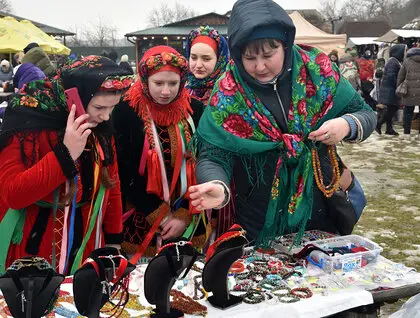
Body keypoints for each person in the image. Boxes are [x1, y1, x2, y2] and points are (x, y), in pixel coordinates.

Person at [188, 0, 376, 246]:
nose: (260, 66)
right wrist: (217, 184)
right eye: (249, 57)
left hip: (321, 207)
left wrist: (346, 124)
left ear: (285, 45)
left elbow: (365, 114)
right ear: (237, 54)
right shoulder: (228, 93)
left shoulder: (318, 72)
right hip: (259, 215)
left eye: (268, 55)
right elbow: (213, 154)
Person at [0, 56, 133, 274]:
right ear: (74, 97)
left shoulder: (99, 127)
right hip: (33, 249)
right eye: (99, 107)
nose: (106, 116)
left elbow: (112, 185)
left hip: (86, 242)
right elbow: (13, 193)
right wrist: (66, 154)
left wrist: (113, 240)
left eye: (112, 108)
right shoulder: (27, 120)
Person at [113, 46, 208, 258]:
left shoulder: (196, 109)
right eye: (158, 83)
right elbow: (123, 169)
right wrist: (161, 216)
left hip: (188, 214)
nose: (166, 91)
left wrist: (184, 214)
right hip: (140, 216)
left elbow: (203, 162)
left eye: (173, 83)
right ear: (145, 81)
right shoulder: (125, 111)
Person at [185, 25, 229, 105]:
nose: (198, 65)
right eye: (194, 58)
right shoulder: (180, 93)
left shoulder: (230, 95)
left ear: (219, 60)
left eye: (206, 59)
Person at [377, 44, 406, 136]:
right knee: (392, 108)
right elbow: (391, 76)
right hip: (390, 89)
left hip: (390, 89)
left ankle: (389, 128)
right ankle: (379, 124)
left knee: (392, 108)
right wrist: (398, 84)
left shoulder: (395, 61)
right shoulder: (393, 62)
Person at [397, 46, 420, 139]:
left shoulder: (407, 61)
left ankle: (407, 133)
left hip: (409, 91)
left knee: (408, 112)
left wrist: (399, 86)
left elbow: (400, 76)